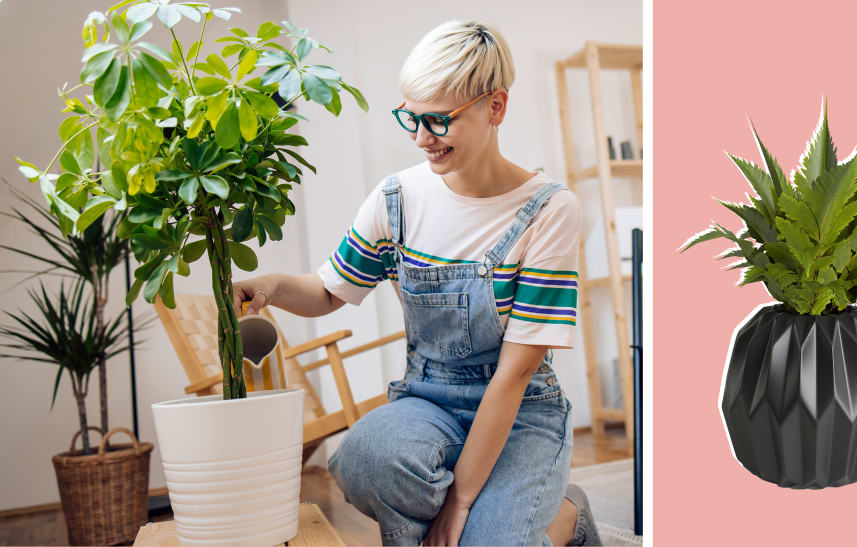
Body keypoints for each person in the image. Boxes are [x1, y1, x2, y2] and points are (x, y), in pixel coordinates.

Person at [233, 20, 601, 546]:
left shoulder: (548, 210)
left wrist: (459, 503)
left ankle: (567, 517)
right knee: (364, 460)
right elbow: (330, 290)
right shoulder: (398, 199)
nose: (420, 137)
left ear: (495, 107)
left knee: (477, 537)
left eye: (437, 120)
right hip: (428, 400)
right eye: (410, 116)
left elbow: (513, 377)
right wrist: (271, 284)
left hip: (521, 414)